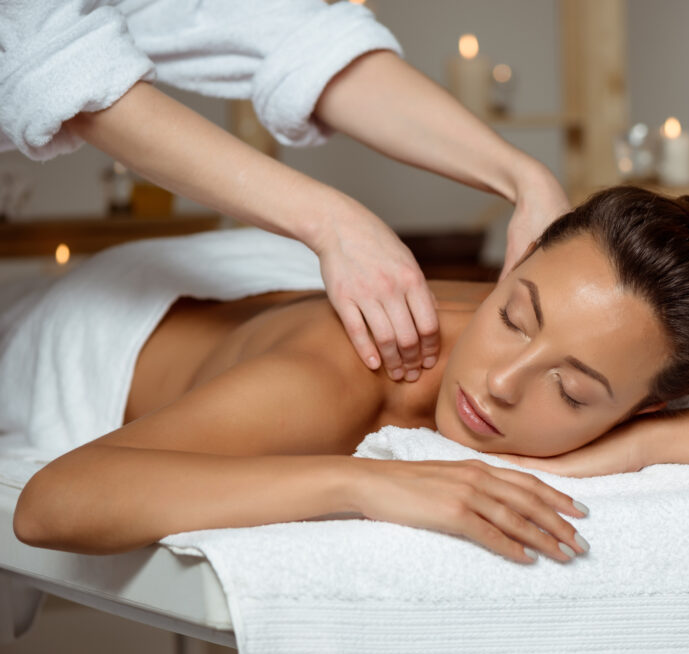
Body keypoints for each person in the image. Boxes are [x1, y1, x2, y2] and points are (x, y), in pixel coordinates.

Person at [9, 179, 689, 564]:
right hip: (101, 320)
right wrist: (368, 483)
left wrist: (636, 448)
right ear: (517, 263)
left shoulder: (631, 328)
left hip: (248, 287)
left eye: (576, 391)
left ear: (650, 391)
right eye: (514, 313)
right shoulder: (338, 373)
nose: (504, 380)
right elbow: (54, 501)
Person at [0, 0, 569, 383]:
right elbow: (58, 62)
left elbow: (293, 37)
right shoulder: (311, 377)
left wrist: (524, 177)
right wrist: (332, 221)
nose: (506, 383)